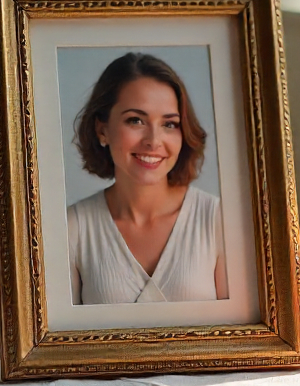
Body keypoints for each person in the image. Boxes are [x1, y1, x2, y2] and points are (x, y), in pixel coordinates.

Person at [67, 52, 228, 305]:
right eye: (136, 120)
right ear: (102, 129)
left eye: (169, 124)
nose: (153, 141)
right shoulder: (73, 228)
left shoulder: (219, 220)